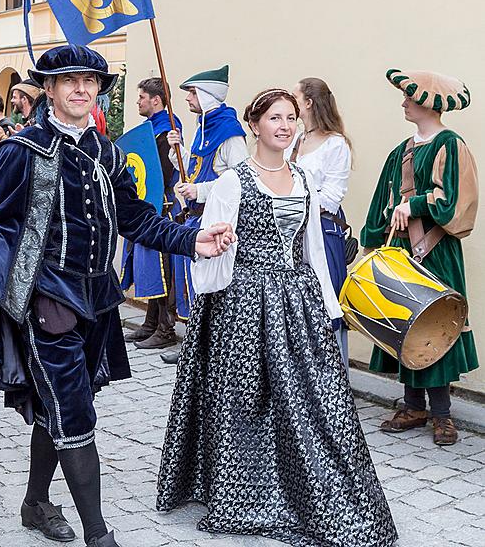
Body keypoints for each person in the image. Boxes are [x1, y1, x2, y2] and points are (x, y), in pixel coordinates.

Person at [0, 45, 235, 547]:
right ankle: (98, 536)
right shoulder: (22, 150)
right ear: (49, 89)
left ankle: (35, 502)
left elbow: (134, 217)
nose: (81, 89)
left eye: (89, 81)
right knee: (75, 409)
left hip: (99, 299)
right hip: (46, 298)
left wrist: (190, 240)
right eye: (69, 81)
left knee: (59, 404)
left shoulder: (107, 151)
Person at [157, 88, 397, 546]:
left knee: (313, 401)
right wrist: (217, 277)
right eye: (275, 118)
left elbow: (311, 250)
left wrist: (328, 304)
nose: (285, 126)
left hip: (297, 298)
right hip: (244, 302)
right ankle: (245, 488)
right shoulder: (233, 181)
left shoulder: (305, 178)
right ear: (256, 125)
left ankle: (310, 487)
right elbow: (209, 250)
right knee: (248, 399)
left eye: (290, 118)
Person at [362, 69, 478, 446]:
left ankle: (443, 414)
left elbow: (456, 201)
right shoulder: (401, 151)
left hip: (437, 251)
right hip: (400, 251)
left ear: (426, 102)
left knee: (436, 325)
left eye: (409, 98)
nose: (403, 103)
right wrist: (372, 243)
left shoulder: (450, 144)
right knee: (401, 324)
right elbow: (383, 198)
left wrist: (414, 204)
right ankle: (413, 406)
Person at [161, 65, 248, 365]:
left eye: (193, 92)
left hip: (215, 221)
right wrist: (178, 151)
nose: (187, 98)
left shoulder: (229, 134)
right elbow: (194, 167)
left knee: (211, 286)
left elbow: (239, 181)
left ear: (208, 96)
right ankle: (194, 344)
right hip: (195, 218)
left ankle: (212, 349)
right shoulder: (203, 126)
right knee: (193, 285)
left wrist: (198, 191)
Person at [287, 77, 353, 367]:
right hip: (292, 232)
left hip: (323, 232)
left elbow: (332, 196)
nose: (291, 102)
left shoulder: (336, 145)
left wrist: (294, 202)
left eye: (295, 98)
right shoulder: (296, 140)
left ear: (309, 103)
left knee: (325, 304)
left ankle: (332, 379)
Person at [120, 77, 182, 349]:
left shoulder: (168, 131)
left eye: (142, 97)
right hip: (150, 206)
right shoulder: (150, 131)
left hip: (163, 207)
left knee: (163, 270)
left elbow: (164, 172)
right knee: (150, 268)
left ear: (156, 100)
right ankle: (151, 322)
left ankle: (166, 328)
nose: (138, 102)